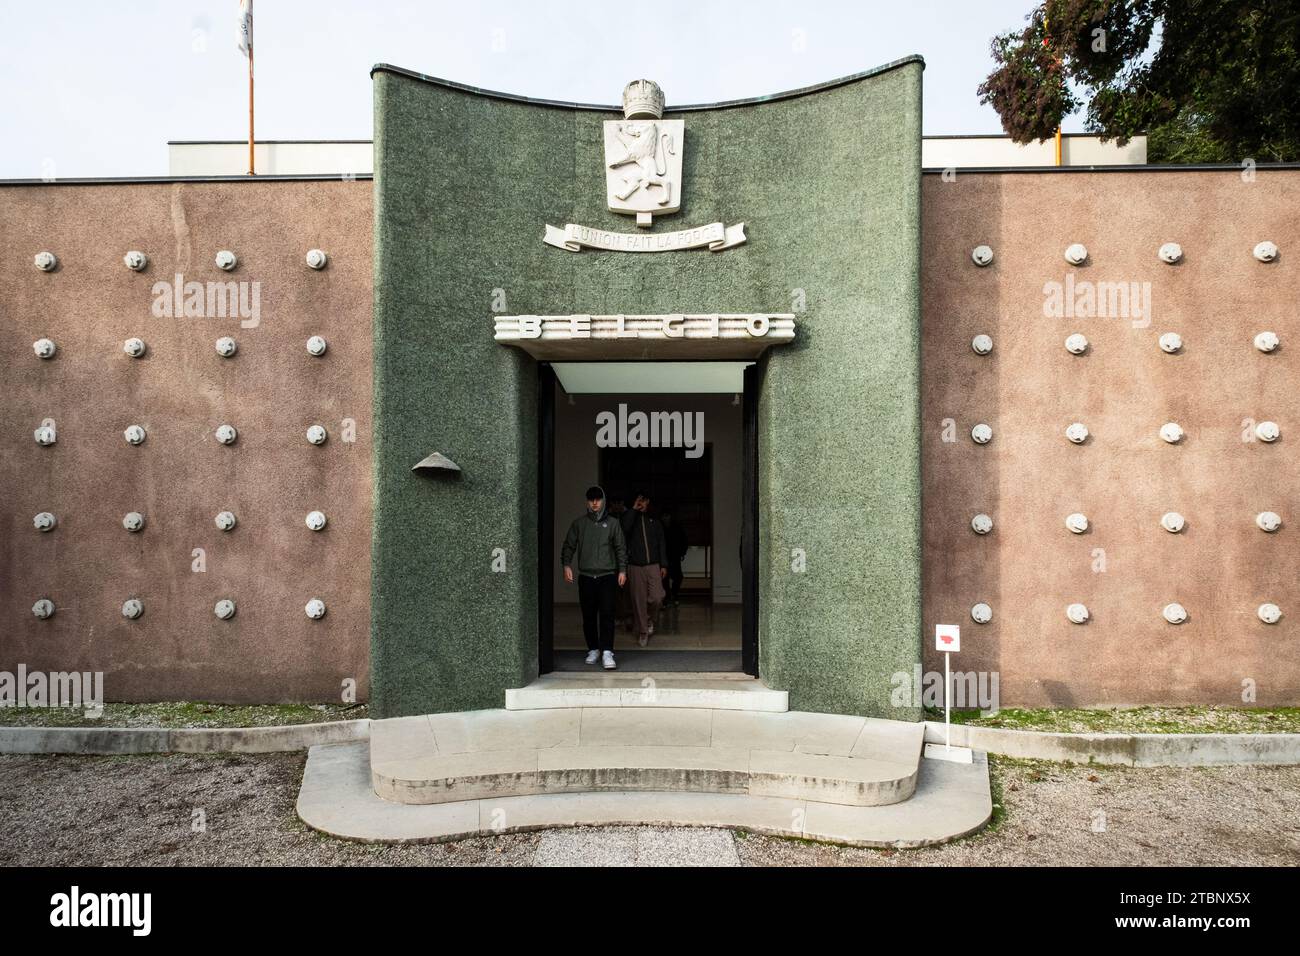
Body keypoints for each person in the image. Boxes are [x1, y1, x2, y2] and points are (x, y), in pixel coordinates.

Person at [560, 485, 627, 669]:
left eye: (598, 499)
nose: (595, 503)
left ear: (603, 500)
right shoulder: (579, 524)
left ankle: (607, 651)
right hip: (587, 576)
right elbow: (569, 545)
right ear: (587, 502)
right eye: (591, 499)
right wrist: (566, 564)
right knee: (588, 615)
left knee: (607, 614)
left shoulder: (613, 523)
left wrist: (622, 570)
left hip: (607, 576)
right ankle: (593, 649)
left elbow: (620, 548)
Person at [620, 491, 667, 646]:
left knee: (657, 597)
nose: (642, 503)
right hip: (635, 566)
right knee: (638, 600)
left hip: (653, 565)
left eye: (644, 500)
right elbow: (624, 528)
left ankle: (648, 621)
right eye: (639, 500)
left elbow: (661, 544)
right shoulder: (629, 518)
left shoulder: (655, 521)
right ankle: (643, 632)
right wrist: (633, 509)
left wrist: (664, 564)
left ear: (648, 502)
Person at [661, 508, 687, 606]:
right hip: (663, 557)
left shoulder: (677, 527)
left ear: (670, 517)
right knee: (664, 578)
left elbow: (684, 540)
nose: (665, 518)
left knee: (678, 577)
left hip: (675, 556)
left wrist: (682, 553)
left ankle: (675, 594)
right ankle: (667, 596)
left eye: (667, 516)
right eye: (664, 516)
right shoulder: (659, 527)